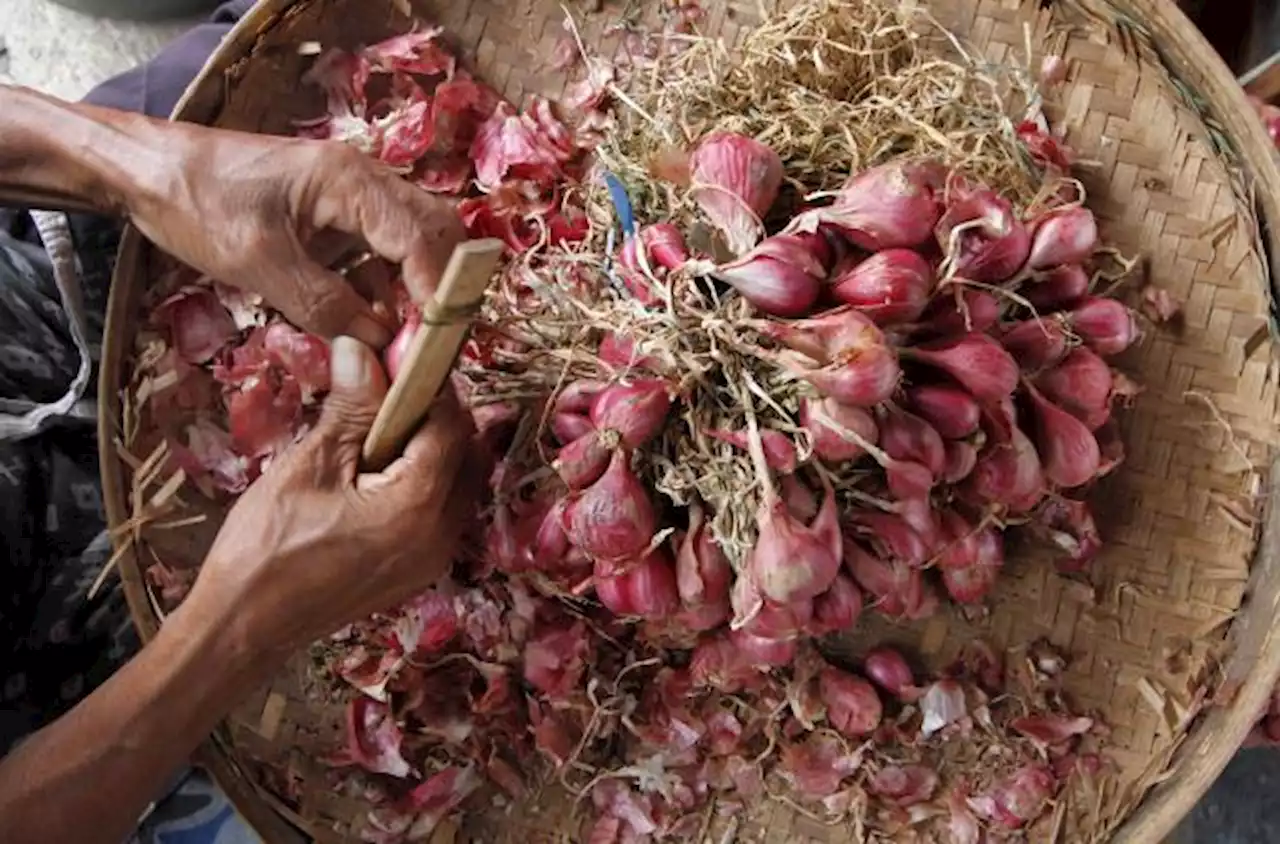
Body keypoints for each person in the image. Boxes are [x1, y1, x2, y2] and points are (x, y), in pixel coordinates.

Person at [0, 3, 478, 842]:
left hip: (39, 253)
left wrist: (139, 166)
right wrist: (234, 636)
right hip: (86, 709)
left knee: (294, 54)